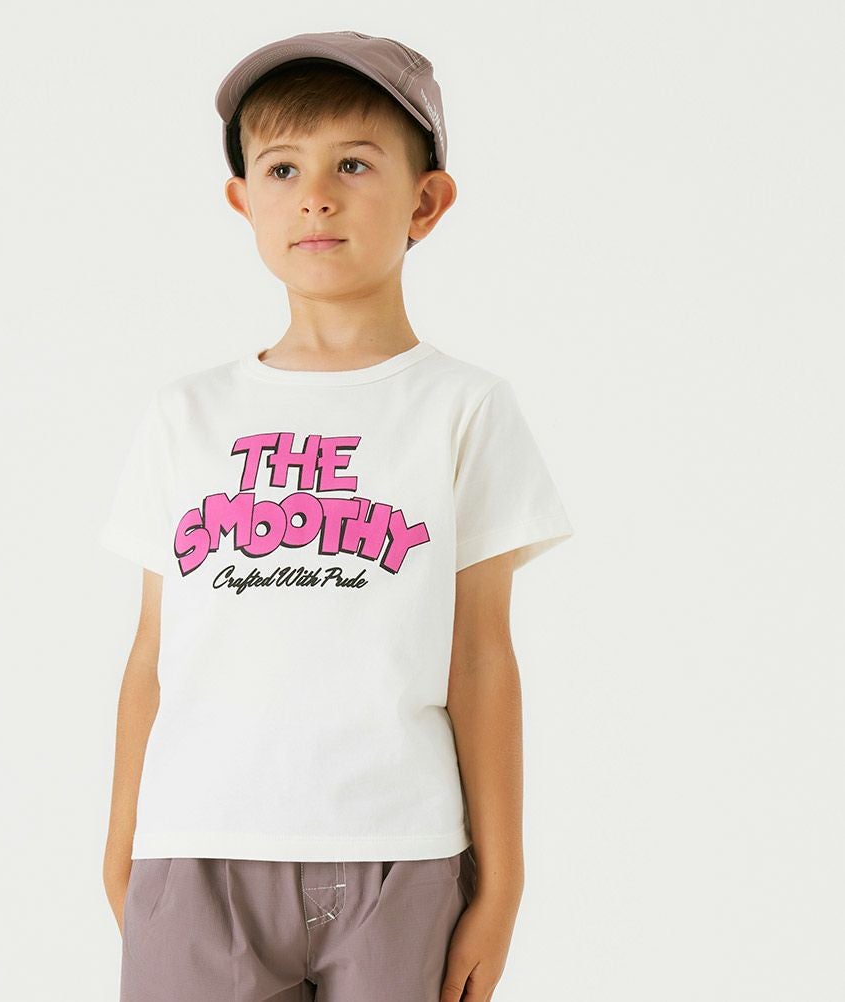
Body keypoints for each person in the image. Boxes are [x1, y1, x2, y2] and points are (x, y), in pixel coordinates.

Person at [98, 30, 575, 1002]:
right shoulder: (186, 415)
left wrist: (504, 883)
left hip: (400, 853)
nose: (315, 195)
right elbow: (153, 652)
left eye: (353, 164)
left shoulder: (462, 409)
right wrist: (123, 846)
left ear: (425, 201)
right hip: (198, 848)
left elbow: (482, 655)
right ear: (244, 201)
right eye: (283, 168)